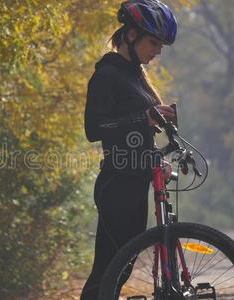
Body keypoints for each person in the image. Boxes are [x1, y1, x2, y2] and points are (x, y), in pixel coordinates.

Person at [81, 1, 178, 299]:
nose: (158, 50)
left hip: (136, 183)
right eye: (154, 42)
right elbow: (94, 129)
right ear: (132, 34)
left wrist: (157, 157)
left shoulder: (136, 75)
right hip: (116, 184)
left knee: (119, 272)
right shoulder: (107, 75)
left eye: (161, 45)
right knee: (107, 272)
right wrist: (144, 117)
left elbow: (138, 138)